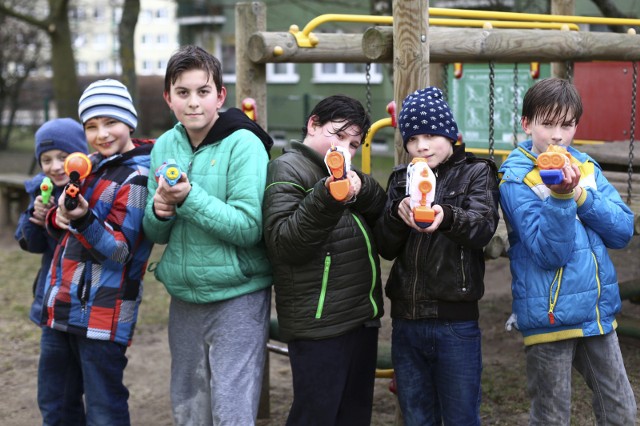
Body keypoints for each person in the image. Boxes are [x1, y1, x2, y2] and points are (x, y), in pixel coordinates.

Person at [142, 45, 273, 425]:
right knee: (189, 406)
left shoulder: (245, 144)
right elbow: (156, 233)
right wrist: (160, 210)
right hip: (184, 296)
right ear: (168, 97)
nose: (193, 102)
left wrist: (188, 198)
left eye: (203, 91)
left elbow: (249, 228)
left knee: (231, 409)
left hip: (238, 294)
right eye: (183, 93)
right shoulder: (165, 146)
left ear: (220, 95)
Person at [499, 77, 637, 425]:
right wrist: (561, 197)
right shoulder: (517, 178)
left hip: (596, 314)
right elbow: (549, 253)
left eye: (567, 124)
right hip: (551, 318)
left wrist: (579, 195)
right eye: (547, 124)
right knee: (551, 417)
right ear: (527, 123)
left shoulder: (586, 167)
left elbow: (622, 231)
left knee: (621, 411)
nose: (557, 135)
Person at [374, 86, 500, 425]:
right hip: (407, 320)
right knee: (417, 415)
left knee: (460, 416)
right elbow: (385, 246)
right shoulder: (401, 177)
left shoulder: (476, 171)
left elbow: (483, 227)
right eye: (412, 138)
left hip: (455, 321)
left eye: (431, 135)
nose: (421, 146)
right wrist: (396, 217)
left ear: (450, 134)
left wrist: (447, 216)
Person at [262, 94, 387, 426]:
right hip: (321, 322)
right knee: (317, 414)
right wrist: (328, 196)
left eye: (354, 143)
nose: (345, 148)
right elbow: (286, 244)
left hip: (358, 317)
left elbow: (379, 214)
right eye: (338, 135)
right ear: (313, 124)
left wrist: (363, 189)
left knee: (353, 413)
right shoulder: (287, 167)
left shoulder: (342, 173)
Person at [40, 79, 154, 425]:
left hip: (103, 315)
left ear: (129, 122)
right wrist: (58, 216)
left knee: (104, 410)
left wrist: (84, 217)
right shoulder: (87, 166)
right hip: (61, 308)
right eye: (91, 126)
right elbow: (65, 225)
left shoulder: (138, 176)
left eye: (110, 123)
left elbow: (120, 251)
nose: (102, 134)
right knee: (55, 403)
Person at [14, 117, 89, 425]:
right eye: (46, 159)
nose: (55, 166)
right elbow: (31, 245)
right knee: (53, 392)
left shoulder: (89, 191)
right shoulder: (39, 193)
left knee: (92, 389)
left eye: (62, 156)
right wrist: (35, 217)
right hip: (51, 307)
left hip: (86, 307)